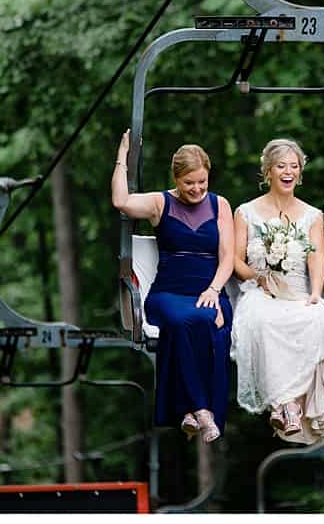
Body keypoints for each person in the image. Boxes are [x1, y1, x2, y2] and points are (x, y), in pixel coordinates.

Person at [112, 130, 235, 443]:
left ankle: (188, 412)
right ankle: (200, 408)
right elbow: (121, 201)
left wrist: (215, 291)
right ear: (177, 179)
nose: (196, 189)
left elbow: (227, 258)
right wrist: (122, 158)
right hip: (167, 294)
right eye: (189, 183)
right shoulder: (159, 203)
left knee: (209, 322)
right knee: (180, 322)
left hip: (208, 292)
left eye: (202, 182)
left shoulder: (220, 205)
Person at [230, 139, 324, 444]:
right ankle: (284, 405)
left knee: (315, 320)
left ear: (300, 173)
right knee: (262, 322)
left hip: (299, 293)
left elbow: (316, 258)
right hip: (261, 292)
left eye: (294, 166)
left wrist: (315, 293)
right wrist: (259, 277)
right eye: (281, 166)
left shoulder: (312, 215)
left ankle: (295, 407)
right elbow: (237, 259)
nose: (288, 172)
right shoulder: (246, 212)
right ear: (268, 171)